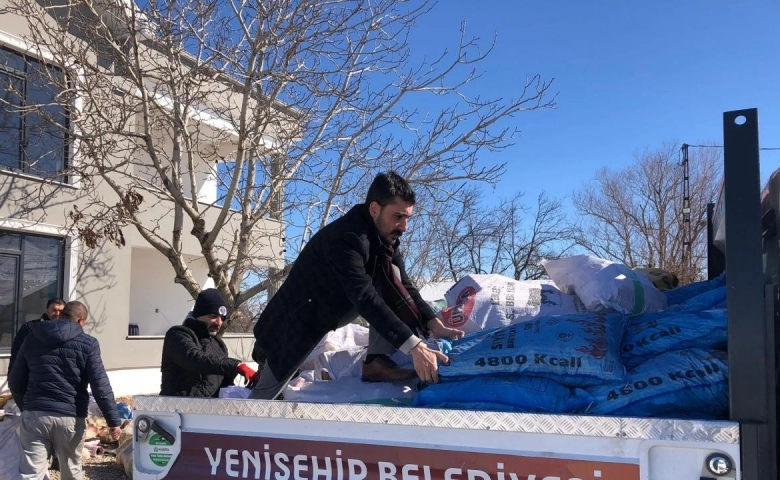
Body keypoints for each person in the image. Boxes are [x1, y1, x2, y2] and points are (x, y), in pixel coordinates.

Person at [249, 171, 464, 400]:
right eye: (398, 216)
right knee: (265, 401)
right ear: (374, 209)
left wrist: (434, 324)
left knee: (390, 287)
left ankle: (375, 362)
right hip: (292, 326)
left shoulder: (384, 241)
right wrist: (414, 347)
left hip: (322, 318)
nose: (404, 226)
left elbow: (403, 285)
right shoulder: (346, 239)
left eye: (408, 217)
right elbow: (364, 298)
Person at [8, 300, 122, 480]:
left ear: (61, 315)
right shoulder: (88, 343)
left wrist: (27, 407)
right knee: (71, 471)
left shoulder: (32, 337)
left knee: (31, 474)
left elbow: (15, 381)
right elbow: (100, 385)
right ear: (81, 321)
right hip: (70, 416)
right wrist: (113, 421)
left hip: (35, 414)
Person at [160, 288, 259, 397]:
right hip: (177, 409)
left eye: (222, 318)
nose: (219, 322)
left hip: (208, 411)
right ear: (199, 314)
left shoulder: (219, 345)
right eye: (213, 316)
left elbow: (224, 383)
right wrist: (236, 365)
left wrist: (244, 392)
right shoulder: (178, 335)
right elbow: (195, 359)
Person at [7, 298, 65, 374]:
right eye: (54, 310)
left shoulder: (68, 331)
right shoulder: (30, 327)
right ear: (47, 310)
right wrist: (12, 375)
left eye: (61, 311)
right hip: (32, 375)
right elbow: (16, 353)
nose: (57, 313)